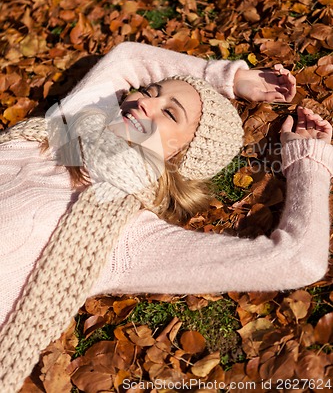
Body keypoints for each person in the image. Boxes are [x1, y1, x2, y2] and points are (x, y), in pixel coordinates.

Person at [0, 42, 331, 392]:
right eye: (148, 92)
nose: (143, 101)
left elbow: (299, 260)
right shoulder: (60, 132)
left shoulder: (119, 234)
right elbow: (127, 58)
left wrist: (308, 161)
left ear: (177, 158)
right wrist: (232, 79)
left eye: (170, 113)